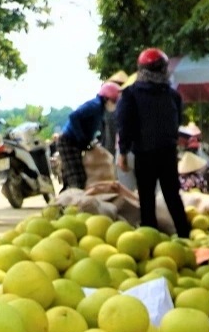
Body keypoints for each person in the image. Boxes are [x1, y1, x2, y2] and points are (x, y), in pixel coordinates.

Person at [118, 48, 190, 237]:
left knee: (147, 198)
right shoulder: (173, 95)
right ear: (164, 70)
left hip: (145, 154)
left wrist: (123, 152)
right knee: (172, 196)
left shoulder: (131, 94)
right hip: (167, 153)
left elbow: (125, 124)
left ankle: (150, 238)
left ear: (141, 70)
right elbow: (177, 122)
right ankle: (185, 234)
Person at [56, 82, 120, 191]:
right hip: (68, 141)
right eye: (113, 101)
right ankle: (71, 203)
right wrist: (81, 138)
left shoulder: (100, 110)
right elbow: (73, 116)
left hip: (75, 143)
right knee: (77, 178)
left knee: (78, 176)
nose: (114, 104)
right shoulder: (94, 106)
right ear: (106, 98)